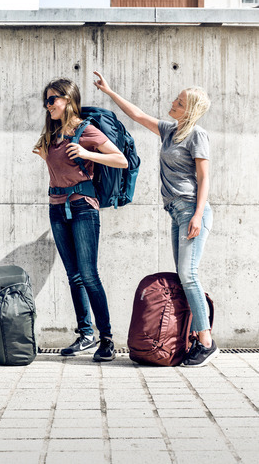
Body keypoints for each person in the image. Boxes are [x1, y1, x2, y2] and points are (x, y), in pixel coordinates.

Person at [93, 71, 218, 367]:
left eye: (180, 101)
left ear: (191, 110)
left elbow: (204, 178)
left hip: (191, 210)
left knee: (189, 275)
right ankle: (194, 336)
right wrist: (110, 92)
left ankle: (206, 341)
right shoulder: (169, 130)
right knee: (185, 276)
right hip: (176, 212)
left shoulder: (197, 135)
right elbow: (136, 114)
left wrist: (198, 215)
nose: (173, 102)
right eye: (176, 98)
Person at [33, 78, 128, 362]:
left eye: (52, 100)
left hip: (83, 207)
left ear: (68, 100)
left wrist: (88, 153)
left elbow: (120, 159)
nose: (47, 105)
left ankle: (107, 339)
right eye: (46, 100)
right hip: (57, 208)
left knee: (88, 275)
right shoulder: (52, 133)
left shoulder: (86, 131)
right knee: (74, 275)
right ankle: (86, 334)